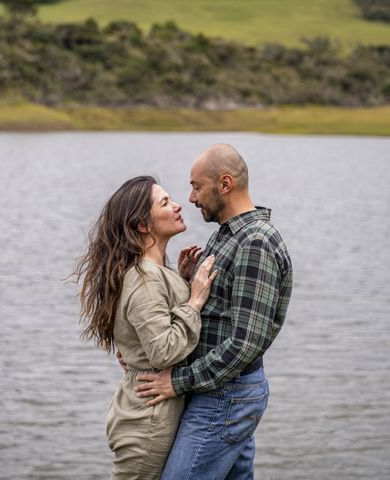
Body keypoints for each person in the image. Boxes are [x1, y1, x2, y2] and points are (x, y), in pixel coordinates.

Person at [135, 144, 293, 479]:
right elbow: (218, 312)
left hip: (226, 396)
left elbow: (245, 343)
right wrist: (188, 281)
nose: (190, 198)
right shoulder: (228, 235)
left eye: (196, 186)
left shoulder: (254, 243)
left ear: (224, 184)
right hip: (222, 392)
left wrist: (177, 382)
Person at [74, 175, 217, 479]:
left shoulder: (152, 273)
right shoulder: (146, 278)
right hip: (148, 421)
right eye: (165, 202)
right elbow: (163, 351)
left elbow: (146, 328)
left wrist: (180, 281)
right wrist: (193, 301)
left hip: (146, 412)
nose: (178, 205)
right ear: (143, 224)